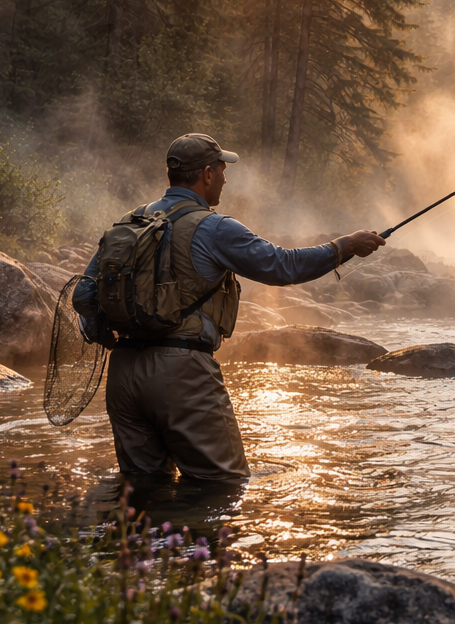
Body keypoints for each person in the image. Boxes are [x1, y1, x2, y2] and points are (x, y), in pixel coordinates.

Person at [74, 133, 384, 479]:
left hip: (123, 376)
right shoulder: (215, 228)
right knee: (222, 487)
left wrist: (113, 337)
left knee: (144, 491)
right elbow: (283, 266)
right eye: (222, 170)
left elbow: (83, 297)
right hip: (181, 373)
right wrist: (344, 246)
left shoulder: (130, 223)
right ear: (207, 174)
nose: (225, 178)